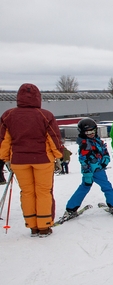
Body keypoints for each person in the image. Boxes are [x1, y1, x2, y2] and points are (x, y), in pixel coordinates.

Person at [0, 83, 64, 237]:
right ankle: (44, 226)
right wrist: (58, 156)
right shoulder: (45, 115)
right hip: (42, 159)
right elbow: (53, 138)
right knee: (43, 192)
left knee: (27, 192)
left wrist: (5, 158)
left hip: (19, 160)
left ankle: (32, 226)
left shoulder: (8, 115)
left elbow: (4, 140)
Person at [61, 118, 113, 220]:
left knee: (88, 188)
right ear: (83, 132)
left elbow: (104, 151)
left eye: (93, 131)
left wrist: (106, 160)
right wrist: (87, 173)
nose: (91, 134)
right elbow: (83, 160)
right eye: (88, 132)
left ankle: (71, 208)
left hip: (99, 169)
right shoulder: (85, 144)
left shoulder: (97, 141)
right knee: (105, 187)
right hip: (92, 171)